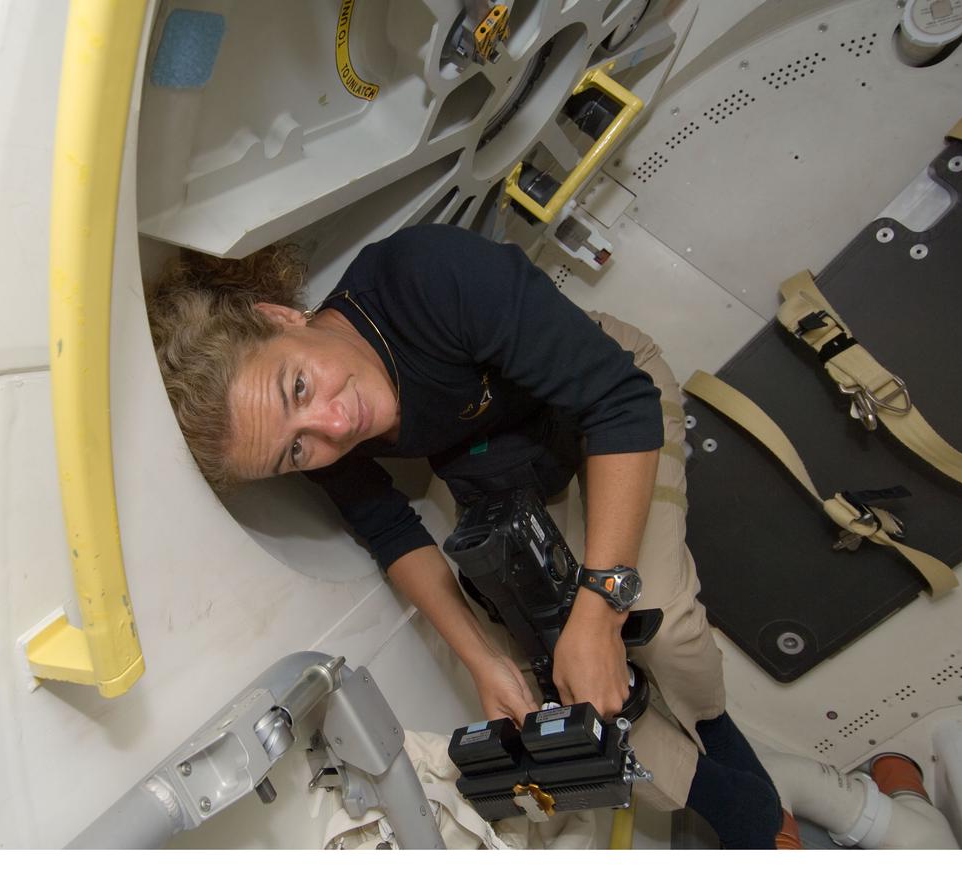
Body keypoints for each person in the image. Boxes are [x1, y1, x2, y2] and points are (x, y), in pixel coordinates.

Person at [149, 223, 784, 848]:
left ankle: (717, 729)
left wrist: (599, 606)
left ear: (283, 317)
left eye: (299, 386)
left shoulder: (427, 275)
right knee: (561, 684)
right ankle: (747, 816)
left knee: (656, 618)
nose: (335, 425)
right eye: (295, 450)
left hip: (609, 407)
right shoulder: (317, 436)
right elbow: (392, 531)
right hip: (505, 472)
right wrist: (484, 660)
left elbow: (618, 401)